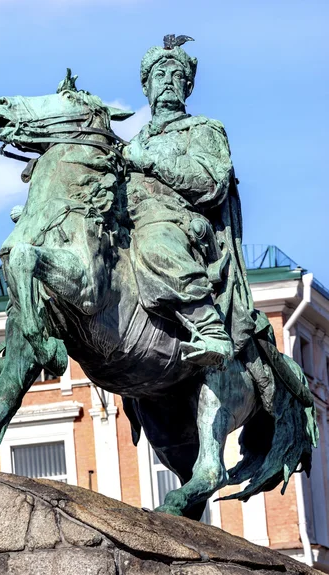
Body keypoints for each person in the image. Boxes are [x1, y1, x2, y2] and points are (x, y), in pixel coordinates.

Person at [123, 37, 262, 367]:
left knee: (155, 242)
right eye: (160, 75)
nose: (168, 82)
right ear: (146, 86)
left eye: (176, 76)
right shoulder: (133, 142)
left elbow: (211, 182)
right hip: (131, 222)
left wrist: (151, 161)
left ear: (188, 86)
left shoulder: (203, 129)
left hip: (182, 225)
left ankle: (209, 328)